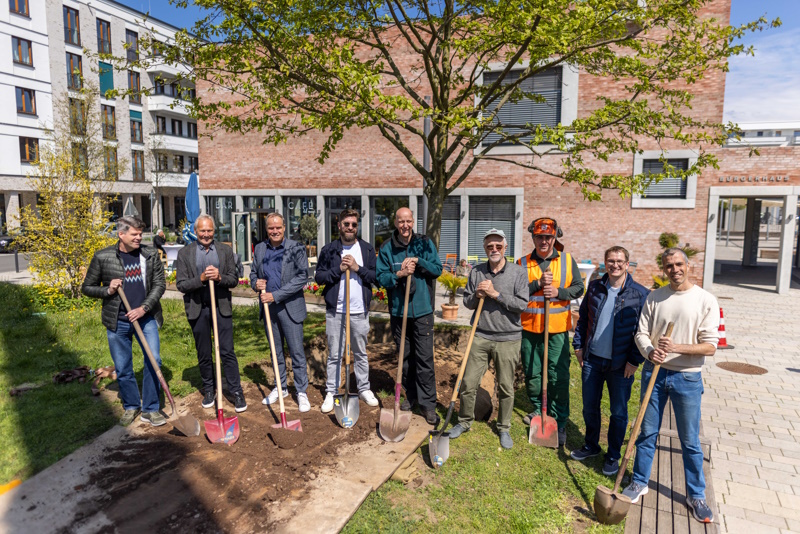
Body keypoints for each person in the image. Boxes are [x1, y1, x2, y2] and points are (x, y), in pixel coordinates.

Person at [622, 248, 719, 524]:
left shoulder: (705, 300)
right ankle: (639, 482)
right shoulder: (655, 297)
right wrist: (650, 351)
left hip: (687, 377)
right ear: (663, 269)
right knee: (647, 431)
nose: (674, 269)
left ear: (688, 266)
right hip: (654, 373)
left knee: (690, 440)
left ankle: (696, 495)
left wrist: (676, 347)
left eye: (678, 264)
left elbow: (710, 347)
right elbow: (641, 333)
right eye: (669, 266)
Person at [570, 246, 649, 474]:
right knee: (589, 407)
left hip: (621, 365)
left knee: (618, 412)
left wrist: (634, 361)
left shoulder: (640, 294)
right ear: (605, 263)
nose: (615, 265)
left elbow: (643, 331)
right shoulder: (595, 287)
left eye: (619, 261)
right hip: (593, 361)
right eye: (611, 261)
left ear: (627, 264)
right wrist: (578, 347)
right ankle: (591, 445)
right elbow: (583, 319)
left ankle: (613, 455)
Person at [447, 229, 528, 449]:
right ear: (485, 249)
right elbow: (467, 302)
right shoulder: (477, 272)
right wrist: (477, 295)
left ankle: (504, 427)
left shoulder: (518, 273)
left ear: (505, 247)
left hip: (508, 338)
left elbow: (522, 304)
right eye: (490, 246)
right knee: (468, 382)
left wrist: (495, 294)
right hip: (480, 335)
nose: (494, 249)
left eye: (498, 246)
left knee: (505, 386)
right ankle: (464, 422)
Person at [81, 216, 167, 426]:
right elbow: (87, 287)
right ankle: (131, 405)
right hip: (117, 321)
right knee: (123, 366)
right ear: (121, 234)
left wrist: (143, 308)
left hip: (146, 318)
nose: (139, 238)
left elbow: (159, 284)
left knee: (154, 359)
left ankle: (151, 408)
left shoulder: (149, 254)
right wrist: (108, 290)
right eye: (134, 234)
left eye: (140, 234)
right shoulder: (103, 257)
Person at [517, 217, 584, 447]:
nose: (544, 241)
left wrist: (558, 292)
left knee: (558, 375)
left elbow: (579, 288)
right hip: (530, 327)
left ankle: (559, 418)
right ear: (533, 238)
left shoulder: (566, 260)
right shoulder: (522, 263)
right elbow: (516, 292)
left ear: (555, 238)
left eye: (548, 237)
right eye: (539, 237)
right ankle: (539, 409)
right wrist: (537, 284)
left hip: (557, 330)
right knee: (532, 372)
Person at [376, 207, 443, 426]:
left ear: (413, 222)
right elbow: (381, 277)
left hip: (423, 311)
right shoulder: (387, 248)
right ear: (395, 223)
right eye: (401, 221)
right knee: (405, 360)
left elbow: (437, 269)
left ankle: (428, 404)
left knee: (424, 359)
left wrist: (419, 262)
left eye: (408, 221)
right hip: (399, 312)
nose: (405, 225)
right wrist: (400, 274)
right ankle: (411, 396)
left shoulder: (424, 243)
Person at [175, 215, 247, 412]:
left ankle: (236, 391)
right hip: (197, 309)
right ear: (195, 232)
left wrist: (220, 277)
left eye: (209, 231)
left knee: (227, 351)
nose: (206, 234)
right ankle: (209, 389)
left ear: (214, 231)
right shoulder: (185, 253)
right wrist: (200, 279)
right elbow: (181, 284)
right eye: (202, 231)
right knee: (204, 353)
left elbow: (234, 279)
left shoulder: (225, 250)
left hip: (220, 307)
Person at [314, 209, 379, 412]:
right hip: (336, 311)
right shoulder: (329, 250)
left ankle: (364, 388)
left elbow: (376, 277)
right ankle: (331, 392)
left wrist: (357, 268)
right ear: (339, 225)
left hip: (359, 311)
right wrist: (339, 270)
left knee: (360, 353)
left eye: (354, 224)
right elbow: (319, 277)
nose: (350, 227)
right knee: (335, 354)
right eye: (346, 224)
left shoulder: (367, 250)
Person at [250, 213, 311, 412]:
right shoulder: (260, 248)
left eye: (278, 227)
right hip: (270, 310)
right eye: (271, 228)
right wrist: (255, 283)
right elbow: (253, 273)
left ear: (284, 228)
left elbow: (302, 277)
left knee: (296, 352)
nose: (274, 231)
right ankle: (281, 387)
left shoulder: (296, 248)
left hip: (290, 307)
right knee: (275, 352)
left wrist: (275, 296)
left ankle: (301, 391)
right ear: (266, 229)